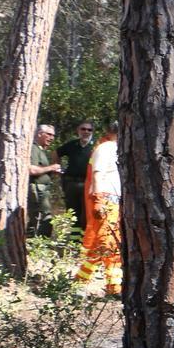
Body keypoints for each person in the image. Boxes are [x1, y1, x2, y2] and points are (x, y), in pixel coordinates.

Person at [74, 121, 121, 297]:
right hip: (106, 199)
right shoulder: (105, 148)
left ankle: (83, 279)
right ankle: (112, 285)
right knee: (107, 241)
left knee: (103, 241)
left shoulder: (114, 148)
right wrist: (99, 201)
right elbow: (98, 173)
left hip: (114, 200)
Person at [56, 120, 96, 231]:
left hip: (88, 184)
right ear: (78, 130)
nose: (86, 132)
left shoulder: (96, 146)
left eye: (89, 130)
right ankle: (74, 243)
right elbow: (57, 152)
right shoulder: (72, 145)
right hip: (71, 184)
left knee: (87, 214)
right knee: (73, 214)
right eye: (83, 129)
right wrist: (58, 167)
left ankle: (84, 243)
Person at [28, 123, 62, 239]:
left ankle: (31, 245)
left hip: (42, 190)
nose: (51, 138)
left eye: (53, 135)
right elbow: (31, 169)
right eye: (49, 134)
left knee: (36, 221)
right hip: (36, 190)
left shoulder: (41, 150)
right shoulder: (33, 148)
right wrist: (51, 168)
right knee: (45, 220)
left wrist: (51, 171)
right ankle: (42, 246)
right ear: (39, 134)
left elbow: (41, 169)